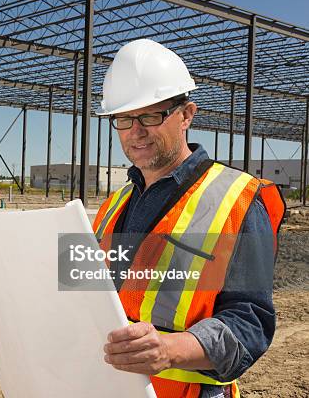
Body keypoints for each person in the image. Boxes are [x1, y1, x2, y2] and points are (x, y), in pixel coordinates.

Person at [92, 39, 285, 398]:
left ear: (186, 115)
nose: (136, 131)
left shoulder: (237, 200)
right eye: (123, 119)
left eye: (151, 115)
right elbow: (84, 291)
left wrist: (168, 351)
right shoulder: (112, 206)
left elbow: (251, 323)